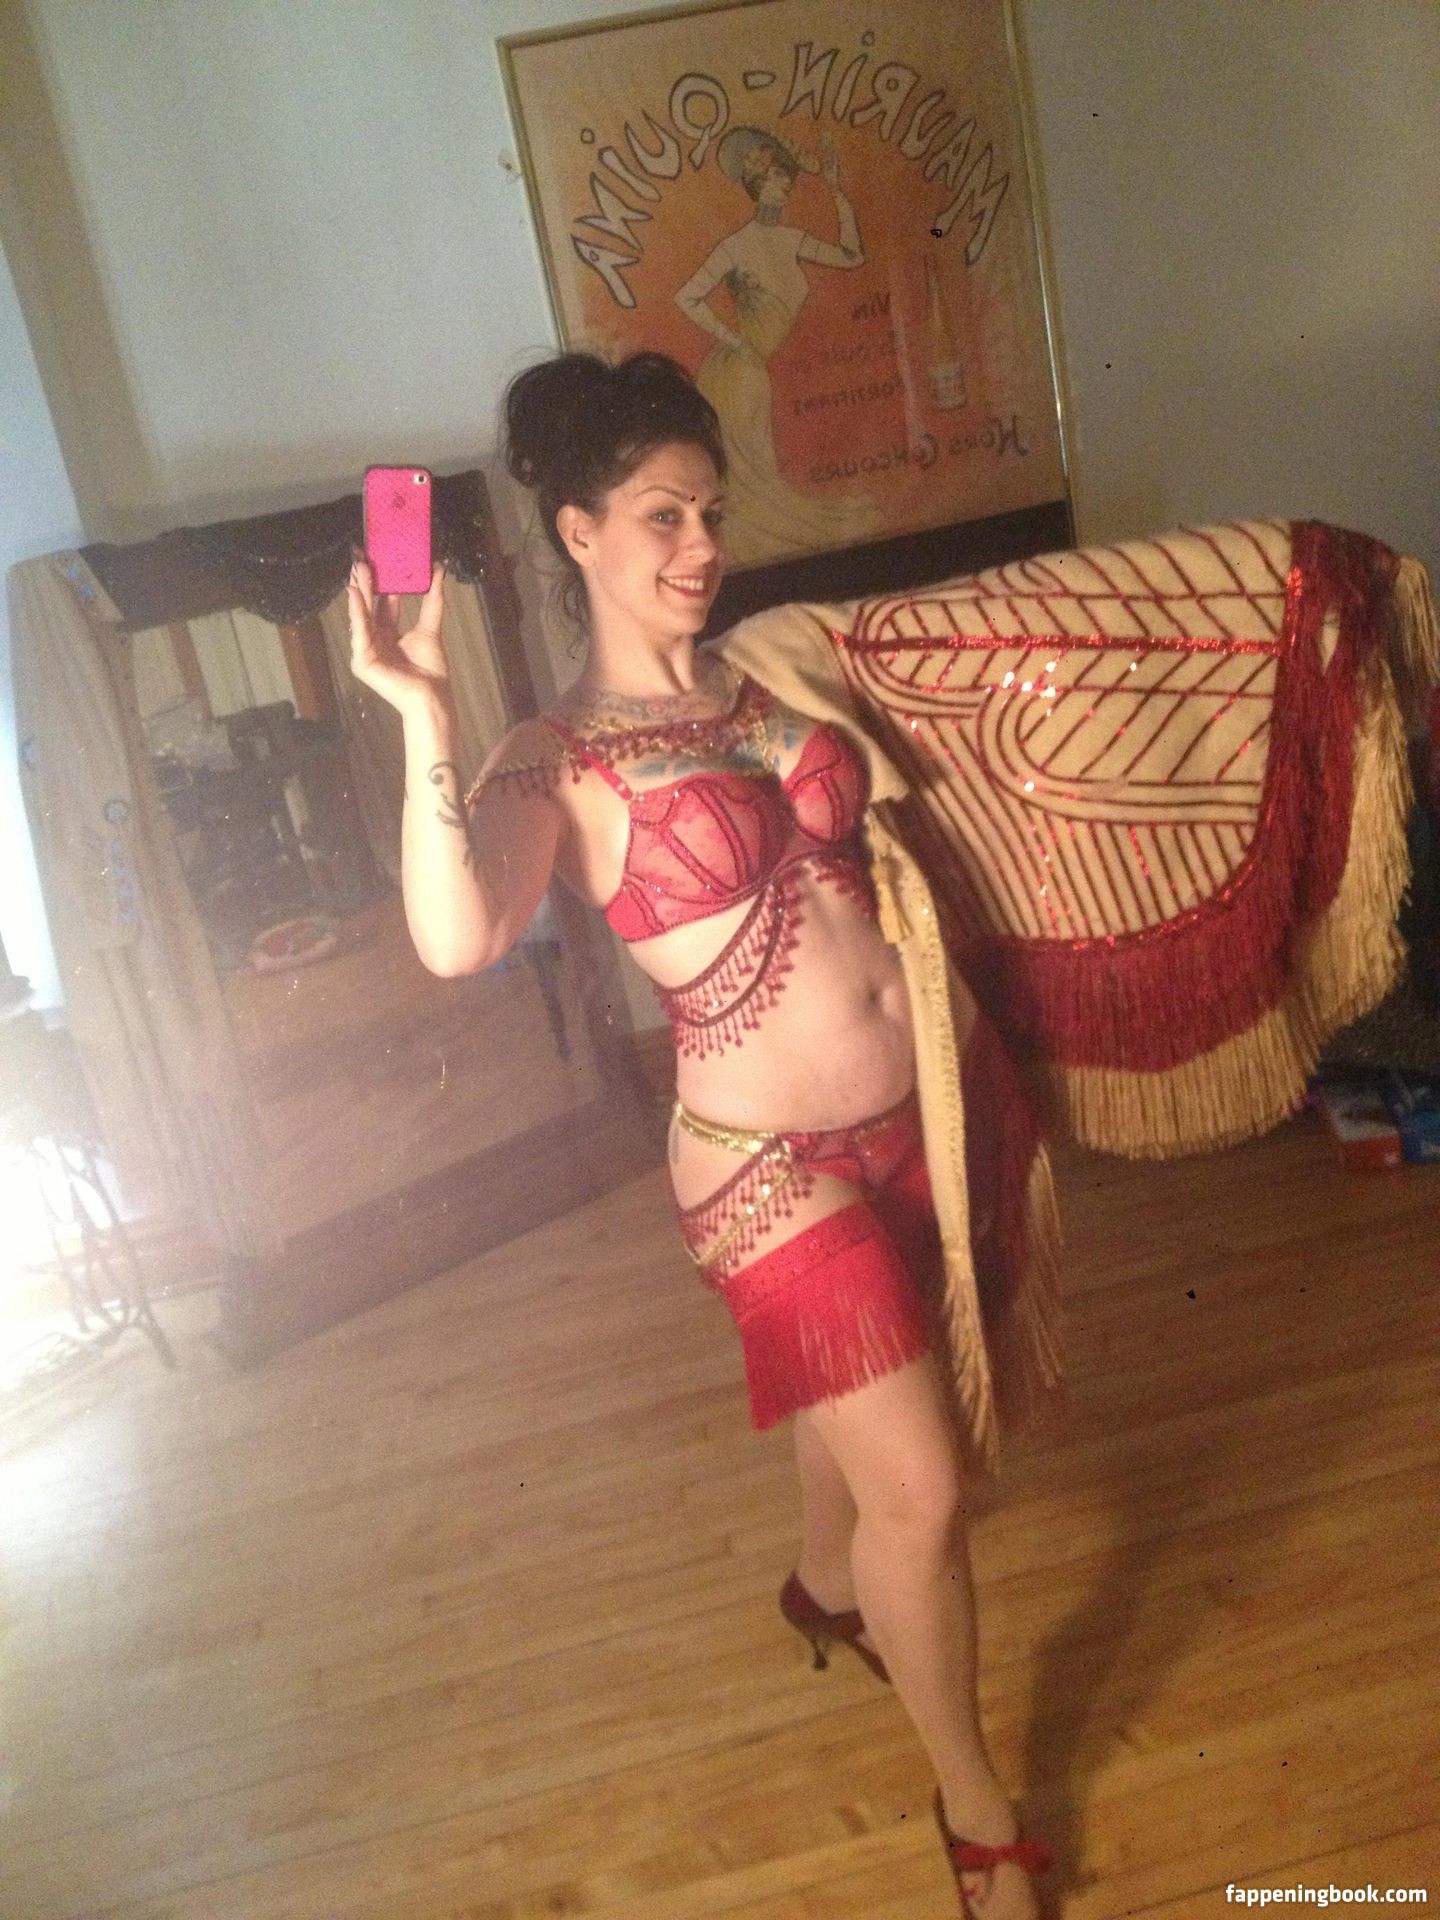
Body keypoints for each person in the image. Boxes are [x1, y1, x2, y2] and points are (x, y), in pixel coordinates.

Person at [346, 349, 1053, 1919]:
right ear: (580, 530)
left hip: (919, 1121)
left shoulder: (764, 673)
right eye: (664, 514)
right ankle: (977, 1812)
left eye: (714, 512)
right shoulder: (555, 756)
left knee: (865, 1421)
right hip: (762, 1171)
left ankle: (820, 1585)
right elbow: (459, 938)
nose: (701, 543)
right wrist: (425, 716)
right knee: (926, 1493)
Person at [674, 126, 885, 564]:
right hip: (733, 375)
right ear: (755, 183)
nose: (784, 185)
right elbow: (687, 296)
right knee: (747, 487)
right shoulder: (735, 246)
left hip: (752, 370)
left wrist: (838, 192)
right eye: (775, 177)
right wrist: (733, 339)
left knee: (758, 483)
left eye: (787, 178)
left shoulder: (791, 240)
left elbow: (853, 257)